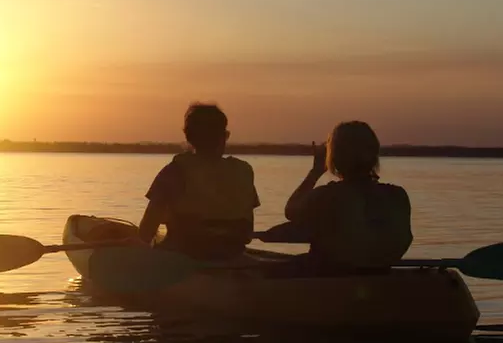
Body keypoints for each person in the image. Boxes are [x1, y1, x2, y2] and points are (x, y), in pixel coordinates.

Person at [283, 121, 412, 273]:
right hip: (381, 273)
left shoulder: (326, 196)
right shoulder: (398, 195)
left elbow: (291, 211)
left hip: (332, 278)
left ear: (335, 157)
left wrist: (316, 171)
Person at [137, 103, 261, 261]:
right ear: (223, 136)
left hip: (184, 257)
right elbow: (248, 228)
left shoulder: (175, 171)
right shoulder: (244, 171)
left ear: (189, 137)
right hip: (231, 255)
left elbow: (146, 232)